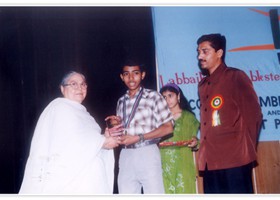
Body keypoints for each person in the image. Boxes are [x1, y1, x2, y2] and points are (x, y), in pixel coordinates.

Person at [19, 71, 119, 194]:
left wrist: (105, 137)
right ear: (62, 88)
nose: (79, 88)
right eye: (73, 84)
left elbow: (89, 145)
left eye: (83, 84)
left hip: (92, 182)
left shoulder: (86, 115)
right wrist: (103, 142)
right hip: (71, 183)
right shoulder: (60, 107)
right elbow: (71, 145)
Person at [196, 33, 263, 193]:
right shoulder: (202, 85)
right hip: (210, 162)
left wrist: (243, 150)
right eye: (198, 52)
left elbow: (254, 116)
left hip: (234, 161)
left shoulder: (235, 76)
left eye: (205, 51)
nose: (200, 56)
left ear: (219, 53)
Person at [107, 59, 174, 194]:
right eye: (126, 74)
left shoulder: (154, 96)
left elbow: (168, 127)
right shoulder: (121, 101)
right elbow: (126, 129)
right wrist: (115, 124)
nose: (131, 78)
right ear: (122, 77)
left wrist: (139, 137)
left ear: (142, 75)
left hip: (147, 151)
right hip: (125, 154)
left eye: (135, 73)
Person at [159, 83, 200, 194]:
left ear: (178, 96)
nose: (167, 99)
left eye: (170, 95)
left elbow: (195, 139)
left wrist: (195, 142)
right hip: (163, 165)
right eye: (164, 97)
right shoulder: (158, 119)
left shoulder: (188, 117)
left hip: (183, 164)